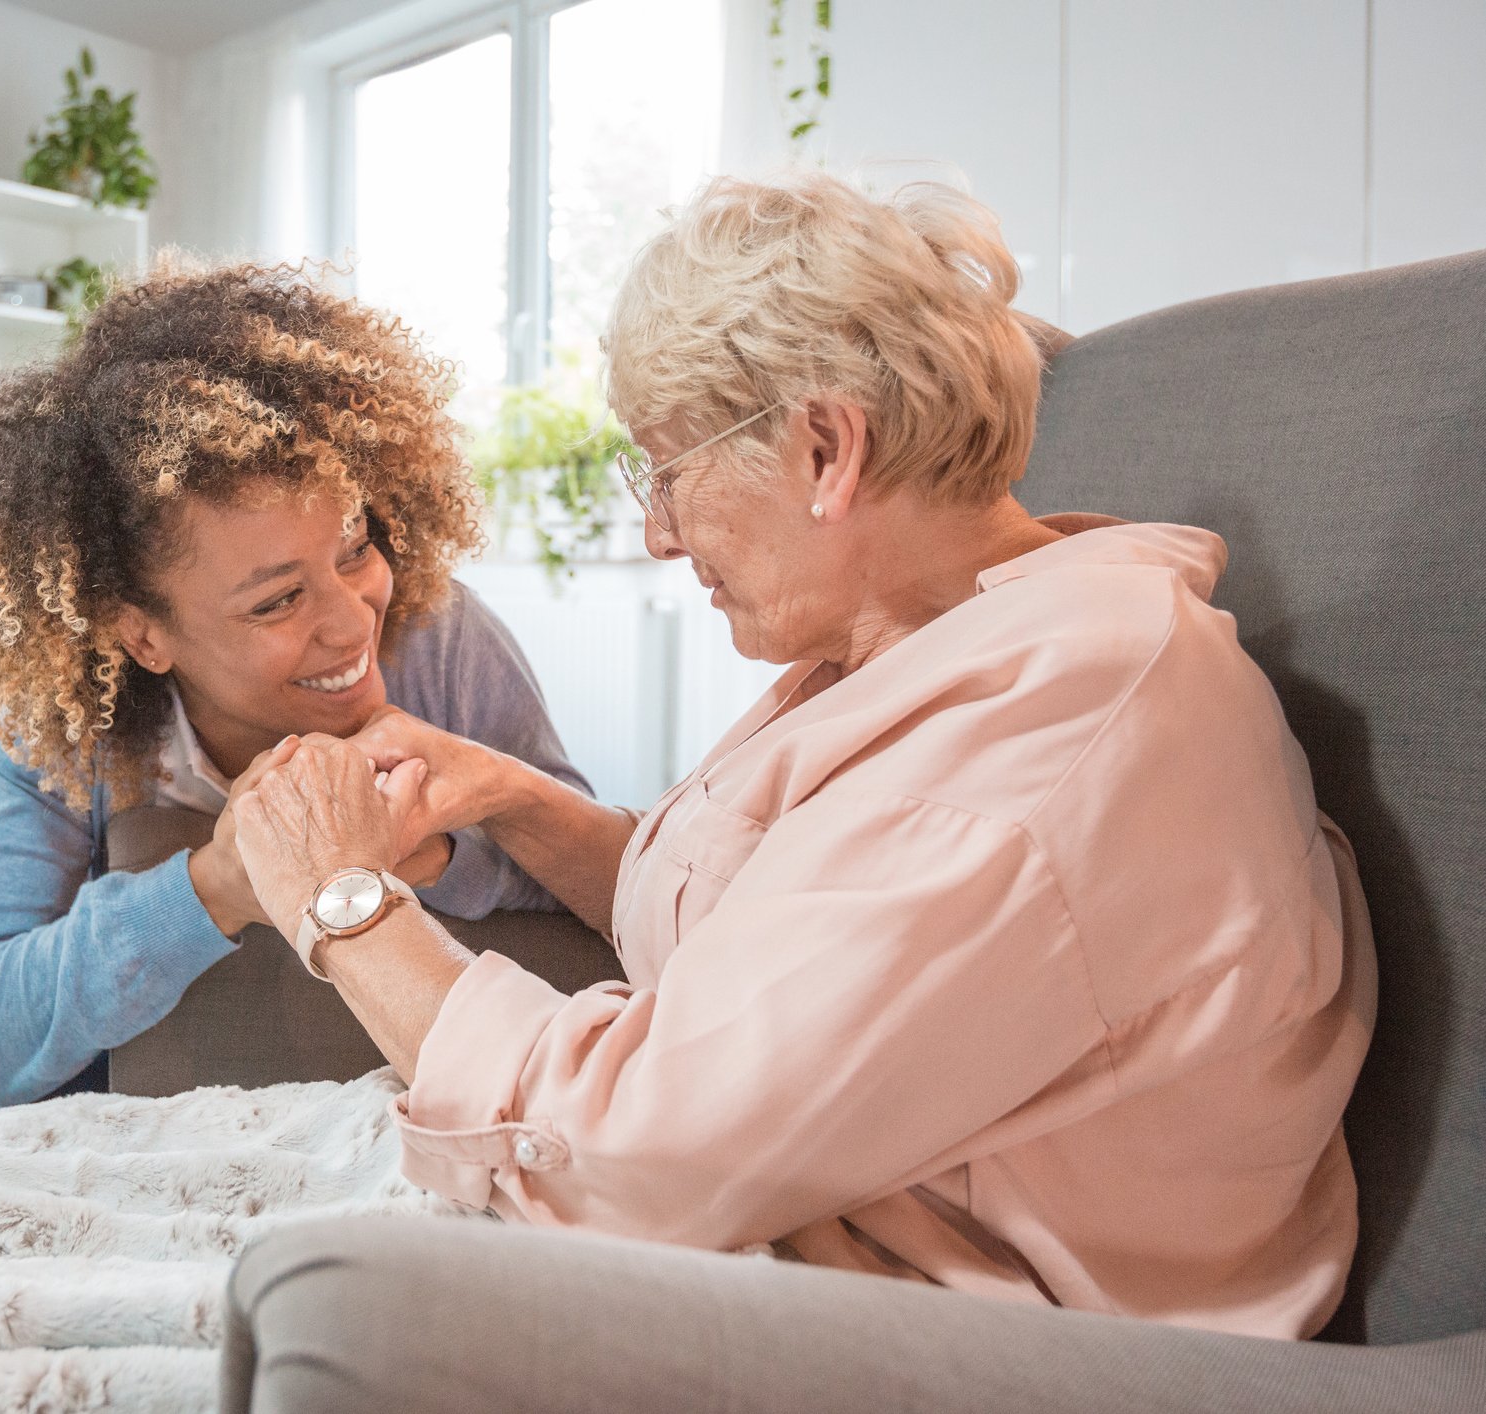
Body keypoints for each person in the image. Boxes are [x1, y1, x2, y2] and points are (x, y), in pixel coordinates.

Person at [225, 170, 1377, 1338]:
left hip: (960, 1341)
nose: (657, 533)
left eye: (666, 472)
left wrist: (342, 901)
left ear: (826, 447)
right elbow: (771, 944)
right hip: (801, 1236)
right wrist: (512, 797)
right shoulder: (935, 642)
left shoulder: (1048, 739)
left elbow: (623, 1158)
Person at [0, 257, 589, 1120]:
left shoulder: (443, 641)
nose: (352, 623)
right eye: (278, 600)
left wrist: (428, 849)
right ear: (142, 633)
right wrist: (218, 885)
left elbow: (604, 895)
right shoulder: (73, 730)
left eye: (355, 548)